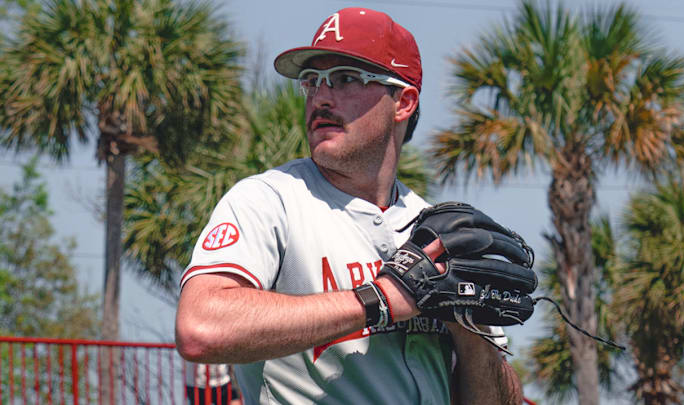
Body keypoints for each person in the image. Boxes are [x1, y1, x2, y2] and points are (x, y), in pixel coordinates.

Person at [176, 7, 524, 405]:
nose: (321, 97)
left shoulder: (442, 232)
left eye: (346, 79)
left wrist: (470, 332)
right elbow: (199, 327)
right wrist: (379, 299)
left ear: (404, 102)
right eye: (312, 82)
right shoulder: (269, 200)